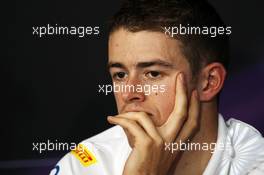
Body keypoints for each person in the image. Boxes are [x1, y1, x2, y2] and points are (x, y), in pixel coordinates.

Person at [50, 0, 264, 174]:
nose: (129, 93)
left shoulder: (256, 164)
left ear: (209, 82)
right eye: (120, 74)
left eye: (153, 74)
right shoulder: (84, 165)